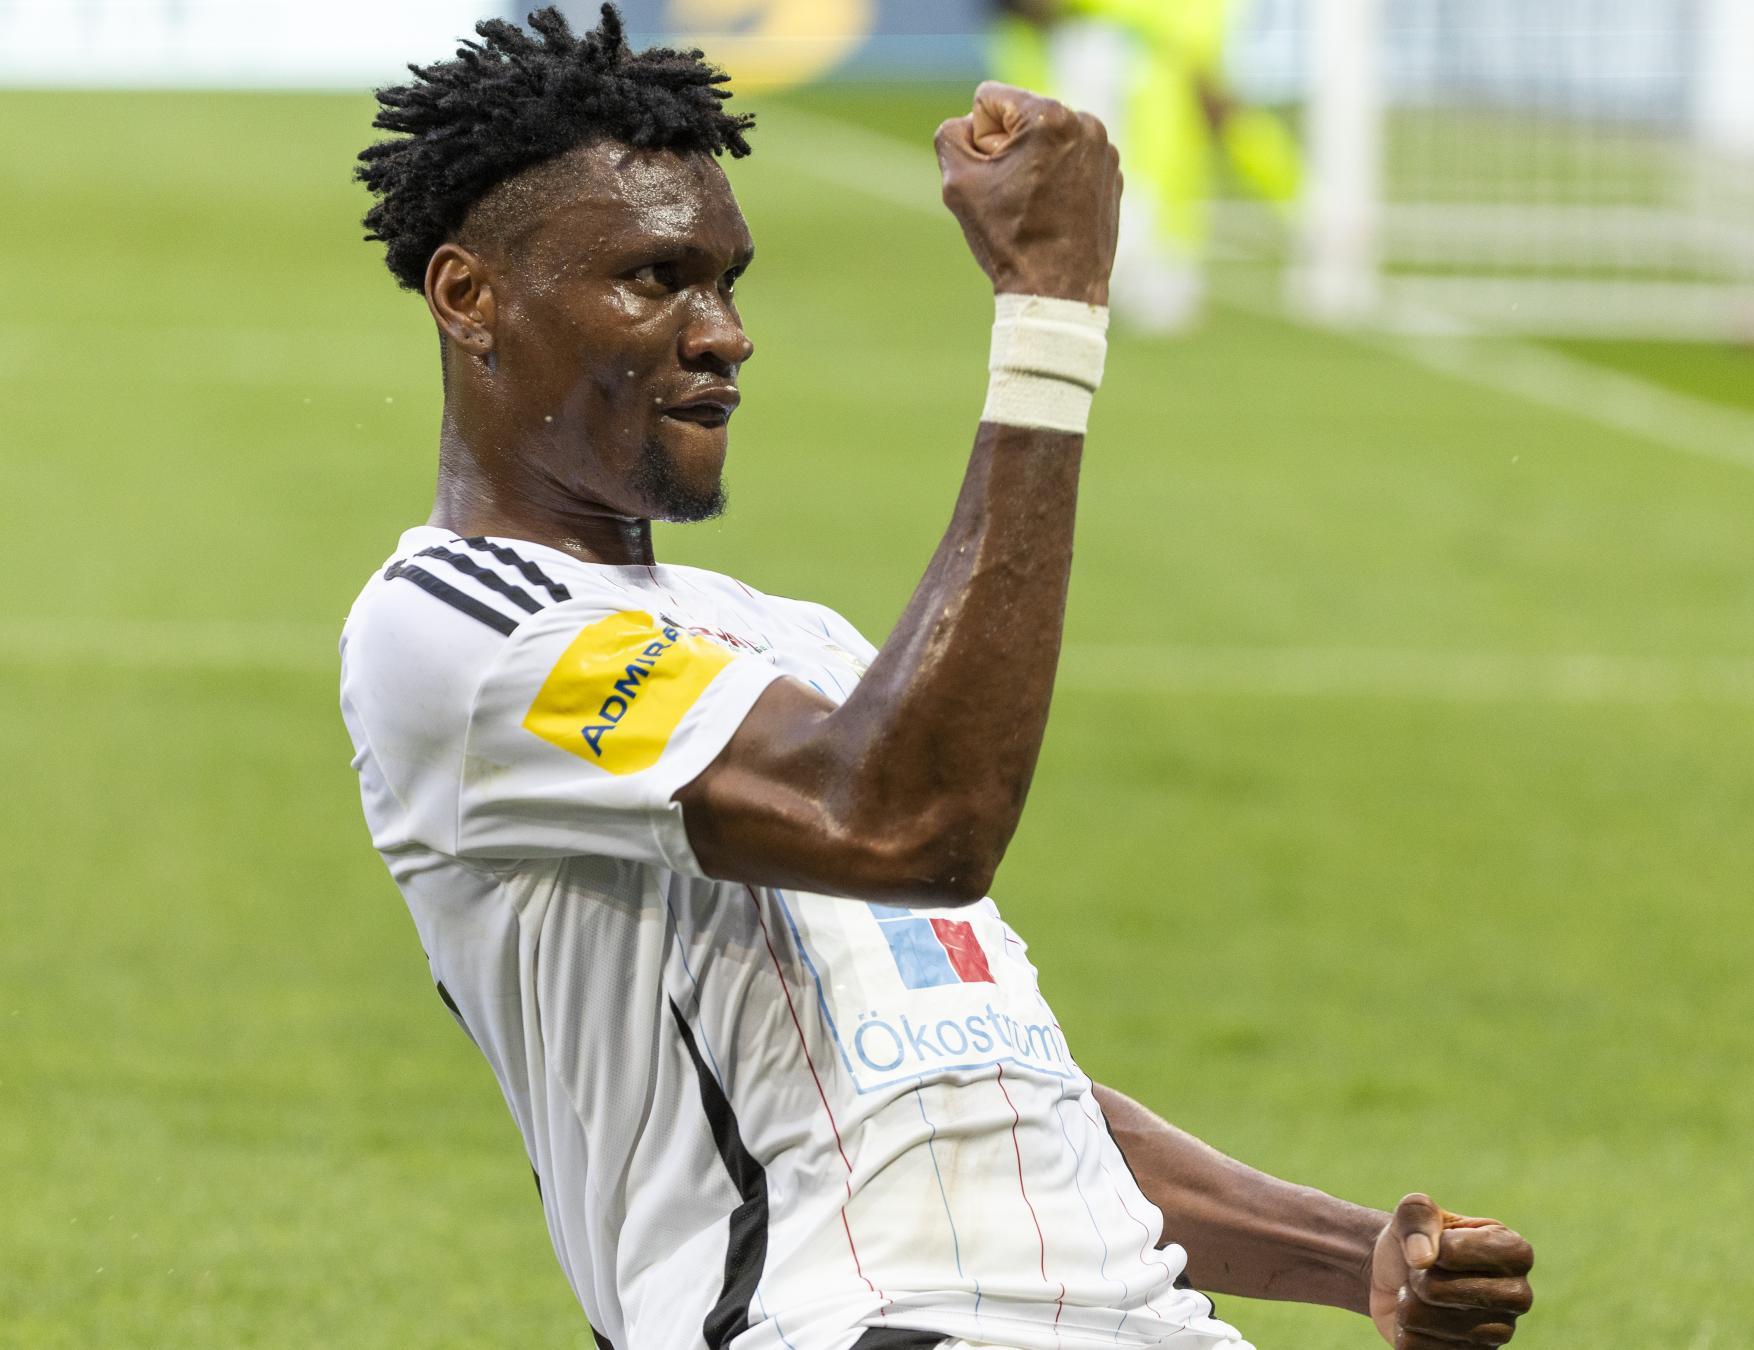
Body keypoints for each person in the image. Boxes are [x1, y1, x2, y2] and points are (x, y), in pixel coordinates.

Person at [339, 6, 1534, 1349]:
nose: (723, 333)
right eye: (654, 278)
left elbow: (988, 1076)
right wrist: (1048, 316)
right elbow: (913, 822)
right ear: (469, 297)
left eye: (728, 282)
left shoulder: (801, 641)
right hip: (857, 1319)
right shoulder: (459, 629)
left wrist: (1349, 1251)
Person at [989, 0, 1303, 333]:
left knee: (1199, 111)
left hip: (1169, 29)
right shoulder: (1034, 40)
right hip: (1130, 37)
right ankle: (1140, 251)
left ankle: (1166, 248)